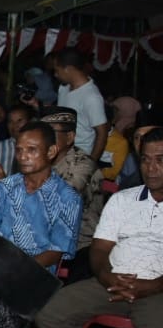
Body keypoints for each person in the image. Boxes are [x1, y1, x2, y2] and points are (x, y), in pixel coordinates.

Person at [39, 129, 163, 328]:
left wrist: (151, 286)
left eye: (160, 160)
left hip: (157, 288)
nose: (151, 168)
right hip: (113, 281)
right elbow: (99, 249)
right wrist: (107, 277)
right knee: (48, 311)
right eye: (145, 160)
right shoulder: (123, 200)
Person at [0, 121, 81, 275]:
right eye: (19, 150)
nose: (23, 156)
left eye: (32, 150)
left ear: (51, 151)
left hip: (35, 271)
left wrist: (15, 269)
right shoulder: (3, 187)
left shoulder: (67, 197)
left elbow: (55, 252)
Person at [44, 108, 102, 278]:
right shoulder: (39, 160)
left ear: (69, 137)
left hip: (80, 243)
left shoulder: (83, 164)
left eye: (50, 134)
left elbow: (60, 203)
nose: (43, 139)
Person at [54, 47, 108, 166]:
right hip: (60, 155)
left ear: (68, 69)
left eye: (57, 70)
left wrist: (89, 165)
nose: (55, 74)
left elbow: (102, 133)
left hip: (79, 159)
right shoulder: (63, 89)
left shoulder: (91, 96)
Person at [0, 102, 37, 190]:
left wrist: (4, 183)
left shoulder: (38, 148)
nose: (14, 125)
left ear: (30, 122)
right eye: (11, 121)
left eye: (19, 121)